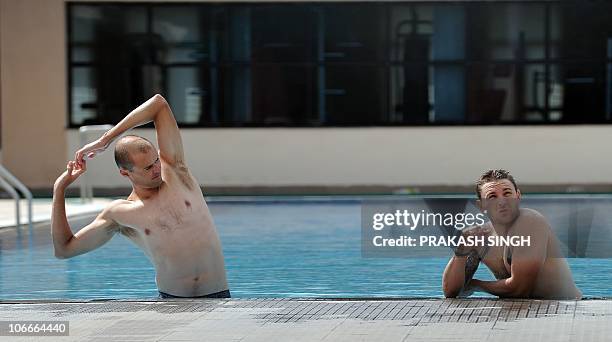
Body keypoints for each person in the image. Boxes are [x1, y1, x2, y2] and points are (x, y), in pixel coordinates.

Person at [51, 94, 229, 298]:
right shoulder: (121, 213)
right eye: (147, 168)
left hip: (219, 296)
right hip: (173, 303)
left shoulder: (176, 172)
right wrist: (59, 189)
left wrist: (105, 140)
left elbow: (158, 104)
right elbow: (64, 250)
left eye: (156, 161)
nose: (157, 169)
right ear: (125, 173)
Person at [442, 169, 581, 299]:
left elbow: (520, 288)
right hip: (525, 314)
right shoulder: (480, 237)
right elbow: (450, 291)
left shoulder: (530, 221)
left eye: (507, 193)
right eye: (492, 196)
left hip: (566, 310)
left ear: (518, 196)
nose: (502, 201)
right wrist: (461, 251)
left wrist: (476, 285)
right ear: (481, 205)